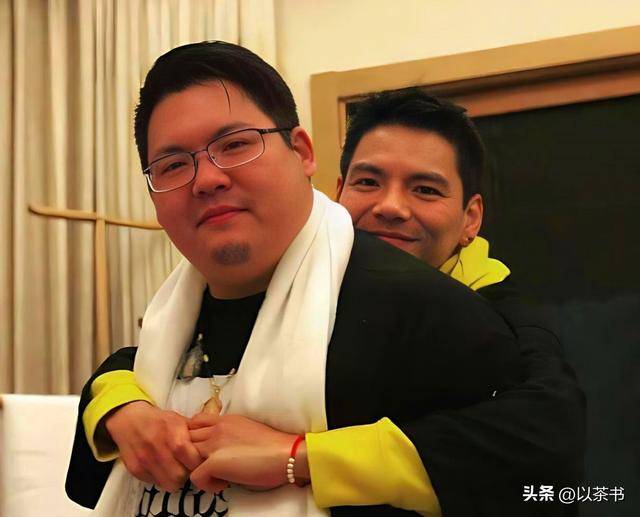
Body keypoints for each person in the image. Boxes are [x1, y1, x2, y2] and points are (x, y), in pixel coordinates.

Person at [66, 41, 526, 517]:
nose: (206, 179)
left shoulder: (428, 310)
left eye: (235, 144)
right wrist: (120, 411)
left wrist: (296, 459)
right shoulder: (169, 322)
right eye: (173, 165)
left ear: (302, 152)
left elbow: (527, 476)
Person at [336, 89, 585, 515]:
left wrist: (299, 457)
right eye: (368, 182)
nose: (390, 206)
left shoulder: (504, 325)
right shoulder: (299, 290)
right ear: (337, 192)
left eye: (425, 189)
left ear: (471, 219)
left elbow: (549, 447)